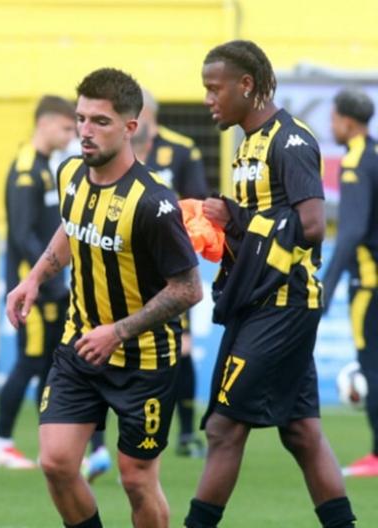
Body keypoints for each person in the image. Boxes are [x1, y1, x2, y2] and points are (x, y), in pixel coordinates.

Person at [7, 67, 202, 528]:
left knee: (136, 480)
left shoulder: (154, 203)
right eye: (81, 119)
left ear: (130, 127)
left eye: (100, 121)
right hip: (80, 346)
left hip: (144, 359)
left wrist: (118, 332)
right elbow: (72, 227)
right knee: (56, 463)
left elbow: (188, 288)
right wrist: (35, 277)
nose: (85, 131)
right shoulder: (70, 173)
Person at [184, 40, 356, 528]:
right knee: (301, 432)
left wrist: (235, 218)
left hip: (283, 306)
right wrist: (220, 229)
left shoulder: (291, 140)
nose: (208, 99)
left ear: (246, 85)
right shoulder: (245, 146)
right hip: (259, 304)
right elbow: (260, 227)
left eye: (214, 88)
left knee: (223, 429)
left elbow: (312, 225)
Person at [86, 90, 210, 471]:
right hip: (113, 267)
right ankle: (96, 446)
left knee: (181, 349)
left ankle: (185, 432)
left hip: (165, 273)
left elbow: (197, 208)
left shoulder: (182, 150)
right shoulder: (107, 154)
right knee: (95, 344)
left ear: (145, 118)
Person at [0, 95, 76, 470]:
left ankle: (49, 446)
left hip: (50, 288)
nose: (71, 136)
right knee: (30, 362)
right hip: (31, 291)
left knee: (50, 366)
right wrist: (44, 280)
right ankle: (0, 443)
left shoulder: (44, 166)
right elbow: (22, 236)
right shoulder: (25, 169)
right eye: (67, 128)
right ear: (45, 123)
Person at [321, 88, 378, 478]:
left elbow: (352, 229)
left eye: (333, 119)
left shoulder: (356, 160)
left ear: (346, 121)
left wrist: (327, 286)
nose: (332, 126)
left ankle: (376, 455)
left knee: (371, 365)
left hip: (370, 283)